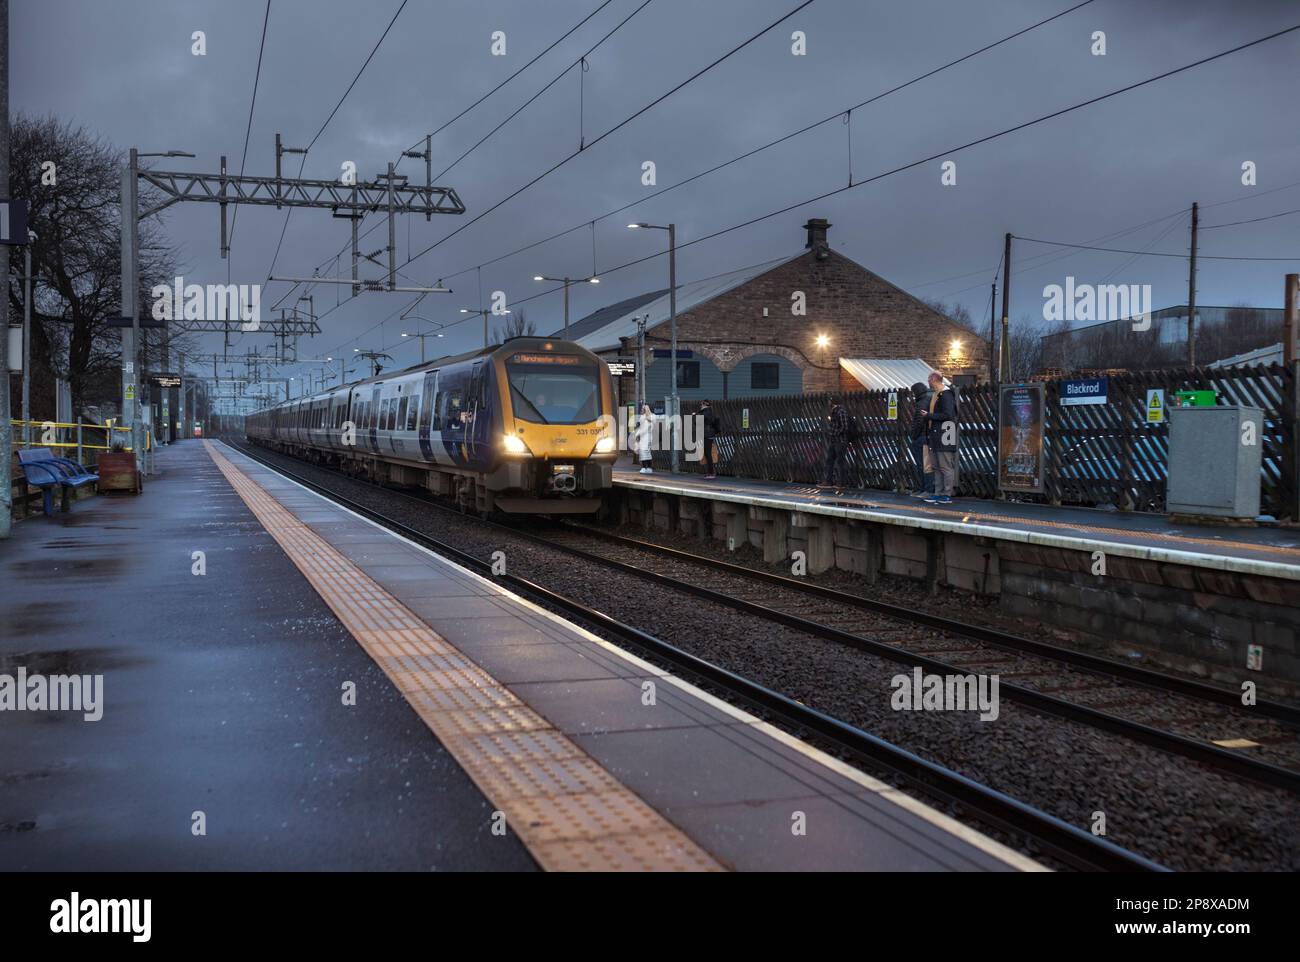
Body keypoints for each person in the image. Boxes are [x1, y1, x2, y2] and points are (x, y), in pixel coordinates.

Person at [923, 372, 958, 504]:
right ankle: (938, 493)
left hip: (945, 435)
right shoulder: (936, 395)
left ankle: (946, 493)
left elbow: (948, 415)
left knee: (945, 467)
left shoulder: (946, 395)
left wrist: (929, 416)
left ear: (934, 379)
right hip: (936, 435)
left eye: (929, 379)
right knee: (936, 467)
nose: (928, 382)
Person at [907, 381, 934, 499]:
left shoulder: (922, 403)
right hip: (926, 436)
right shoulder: (928, 400)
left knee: (924, 465)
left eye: (913, 392)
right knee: (925, 465)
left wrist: (914, 435)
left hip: (921, 437)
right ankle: (924, 489)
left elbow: (919, 421)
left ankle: (927, 490)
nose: (913, 395)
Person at [820, 395, 850, 488]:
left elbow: (845, 427)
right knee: (829, 460)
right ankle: (828, 481)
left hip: (840, 441)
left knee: (840, 462)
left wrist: (835, 433)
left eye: (830, 401)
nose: (829, 402)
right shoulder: (834, 411)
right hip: (833, 441)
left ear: (833, 402)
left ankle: (841, 483)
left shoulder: (841, 412)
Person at [698, 400, 720, 478]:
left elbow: (698, 423)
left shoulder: (705, 413)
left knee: (708, 454)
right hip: (709, 434)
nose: (700, 405)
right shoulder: (710, 412)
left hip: (706, 435)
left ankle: (711, 473)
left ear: (705, 405)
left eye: (701, 404)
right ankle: (710, 472)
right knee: (707, 454)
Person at [635, 403, 655, 474]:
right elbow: (641, 427)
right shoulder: (642, 417)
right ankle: (646, 467)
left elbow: (646, 428)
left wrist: (638, 434)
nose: (641, 410)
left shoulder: (650, 417)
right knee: (643, 453)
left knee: (645, 453)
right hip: (643, 438)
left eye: (642, 409)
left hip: (647, 438)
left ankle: (646, 467)